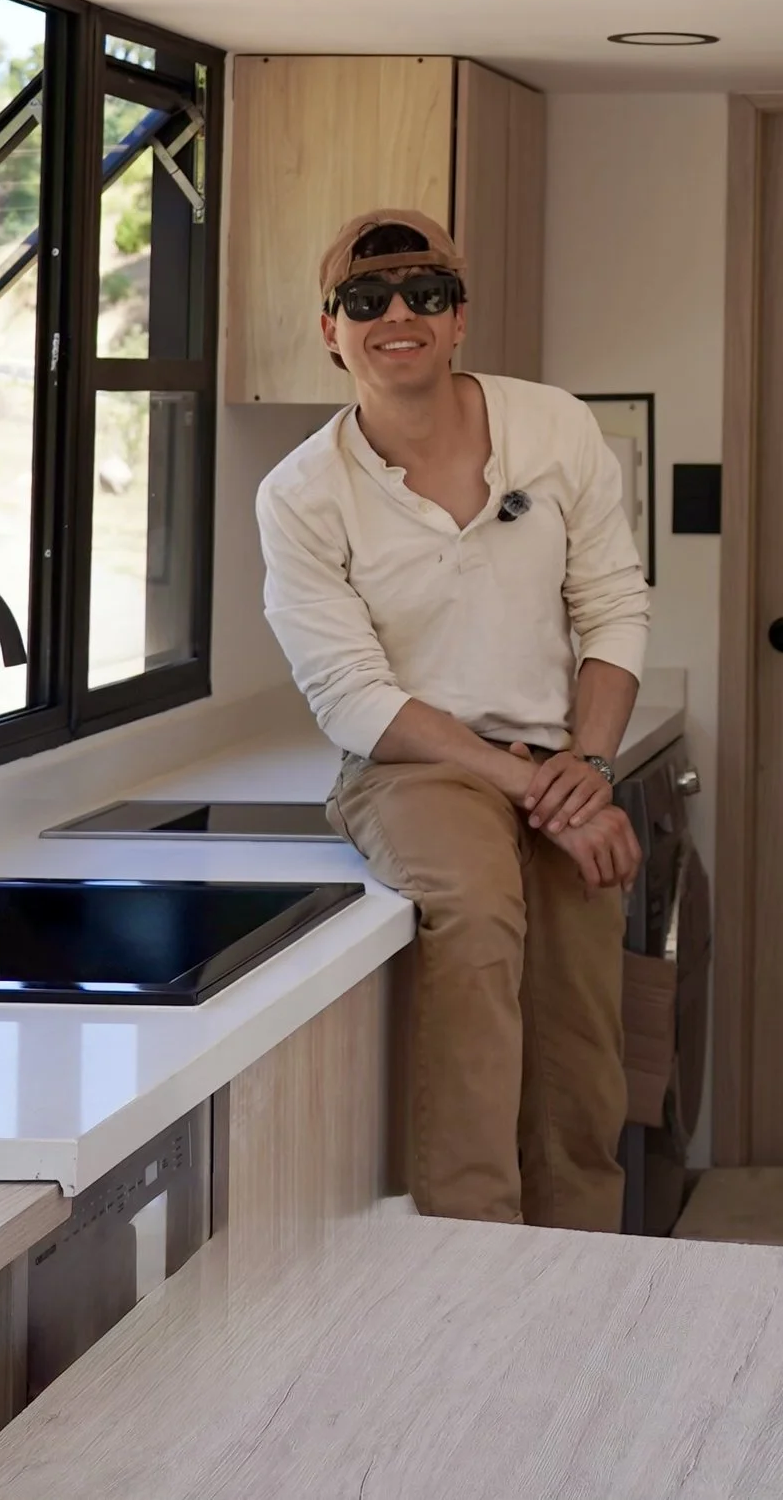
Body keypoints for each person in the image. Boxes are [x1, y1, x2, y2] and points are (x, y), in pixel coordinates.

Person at [258, 208, 650, 1229]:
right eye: (367, 299)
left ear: (459, 318)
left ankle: (582, 1261)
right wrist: (546, 792)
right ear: (329, 328)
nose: (399, 316)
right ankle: (472, 1258)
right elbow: (355, 696)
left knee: (580, 1022)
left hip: (563, 754)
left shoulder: (553, 426)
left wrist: (593, 766)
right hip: (413, 764)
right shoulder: (302, 493)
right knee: (476, 917)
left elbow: (613, 604)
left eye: (426, 295)